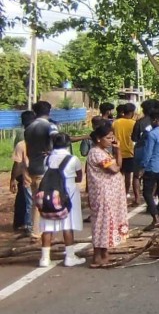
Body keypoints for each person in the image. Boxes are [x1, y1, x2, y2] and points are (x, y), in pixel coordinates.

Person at [37, 134, 86, 268]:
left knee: (47, 226)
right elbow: (79, 178)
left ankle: (44, 258)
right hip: (68, 192)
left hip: (49, 193)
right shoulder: (73, 159)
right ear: (68, 144)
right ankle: (70, 256)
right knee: (67, 225)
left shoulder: (46, 158)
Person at [86, 123, 130, 267]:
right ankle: (97, 256)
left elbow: (118, 165)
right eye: (108, 138)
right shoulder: (97, 153)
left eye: (112, 137)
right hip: (103, 194)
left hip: (110, 193)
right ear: (99, 139)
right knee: (103, 223)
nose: (111, 140)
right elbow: (115, 168)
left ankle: (104, 253)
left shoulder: (104, 151)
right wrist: (117, 151)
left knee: (106, 222)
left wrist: (117, 151)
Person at [24, 100, 59, 239]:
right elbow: (58, 139)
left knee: (35, 200)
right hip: (45, 167)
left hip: (32, 166)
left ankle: (35, 229)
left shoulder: (29, 127)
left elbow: (27, 150)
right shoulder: (50, 126)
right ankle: (44, 231)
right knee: (47, 200)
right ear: (49, 111)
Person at [10, 110, 35, 236]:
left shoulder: (20, 139)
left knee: (28, 201)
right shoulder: (40, 138)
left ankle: (27, 225)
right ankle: (31, 225)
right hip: (36, 174)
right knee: (33, 201)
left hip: (25, 175)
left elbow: (17, 162)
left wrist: (13, 179)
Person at [112, 103, 137, 205]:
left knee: (118, 176)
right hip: (130, 153)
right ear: (131, 112)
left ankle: (117, 194)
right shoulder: (134, 123)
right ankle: (125, 194)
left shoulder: (115, 123)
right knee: (128, 176)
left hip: (117, 152)